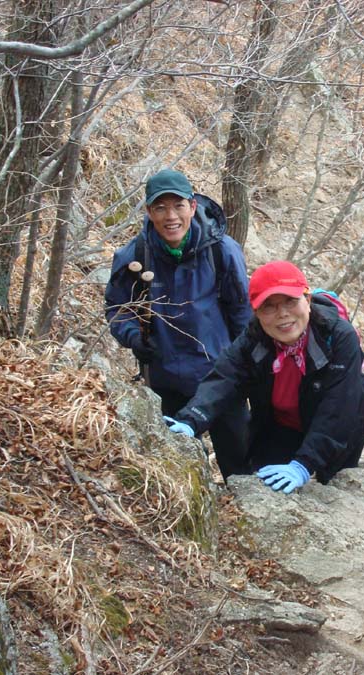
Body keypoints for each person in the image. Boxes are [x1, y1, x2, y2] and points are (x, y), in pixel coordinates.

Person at [163, 260, 364, 493]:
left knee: (332, 486)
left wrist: (303, 465)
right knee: (265, 484)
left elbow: (338, 407)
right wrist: (191, 419)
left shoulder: (338, 337)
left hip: (344, 419)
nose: (283, 314)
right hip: (281, 423)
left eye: (290, 301)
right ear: (256, 313)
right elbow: (225, 379)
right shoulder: (254, 339)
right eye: (269, 306)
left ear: (308, 301)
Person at [105, 168, 251, 479]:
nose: (170, 216)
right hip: (166, 380)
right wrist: (134, 336)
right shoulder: (135, 255)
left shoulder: (221, 251)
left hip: (222, 380)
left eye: (178, 206)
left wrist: (249, 369)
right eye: (160, 207)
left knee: (241, 470)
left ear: (193, 206)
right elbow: (118, 308)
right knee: (179, 472)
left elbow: (242, 314)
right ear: (148, 212)